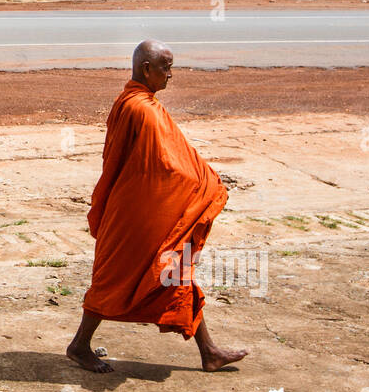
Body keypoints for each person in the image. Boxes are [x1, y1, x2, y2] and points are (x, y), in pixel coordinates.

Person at [67, 40, 248, 373]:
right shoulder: (143, 109)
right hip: (139, 215)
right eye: (166, 67)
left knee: (176, 272)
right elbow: (165, 166)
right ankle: (79, 345)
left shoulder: (131, 100)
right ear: (146, 68)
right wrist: (204, 184)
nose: (170, 75)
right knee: (113, 279)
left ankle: (208, 352)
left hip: (137, 207)